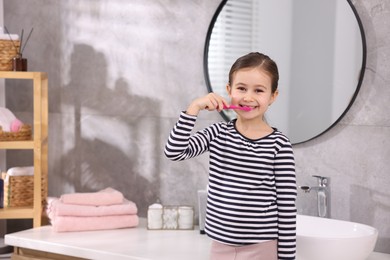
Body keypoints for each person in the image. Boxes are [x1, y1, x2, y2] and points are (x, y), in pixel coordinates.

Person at [164, 52, 296, 260]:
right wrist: (194, 108)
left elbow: (287, 207)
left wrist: (287, 258)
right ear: (229, 90)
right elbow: (174, 151)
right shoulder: (217, 134)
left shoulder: (278, 144)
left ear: (273, 96)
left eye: (259, 90)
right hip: (220, 246)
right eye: (241, 88)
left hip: (262, 247)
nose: (248, 97)